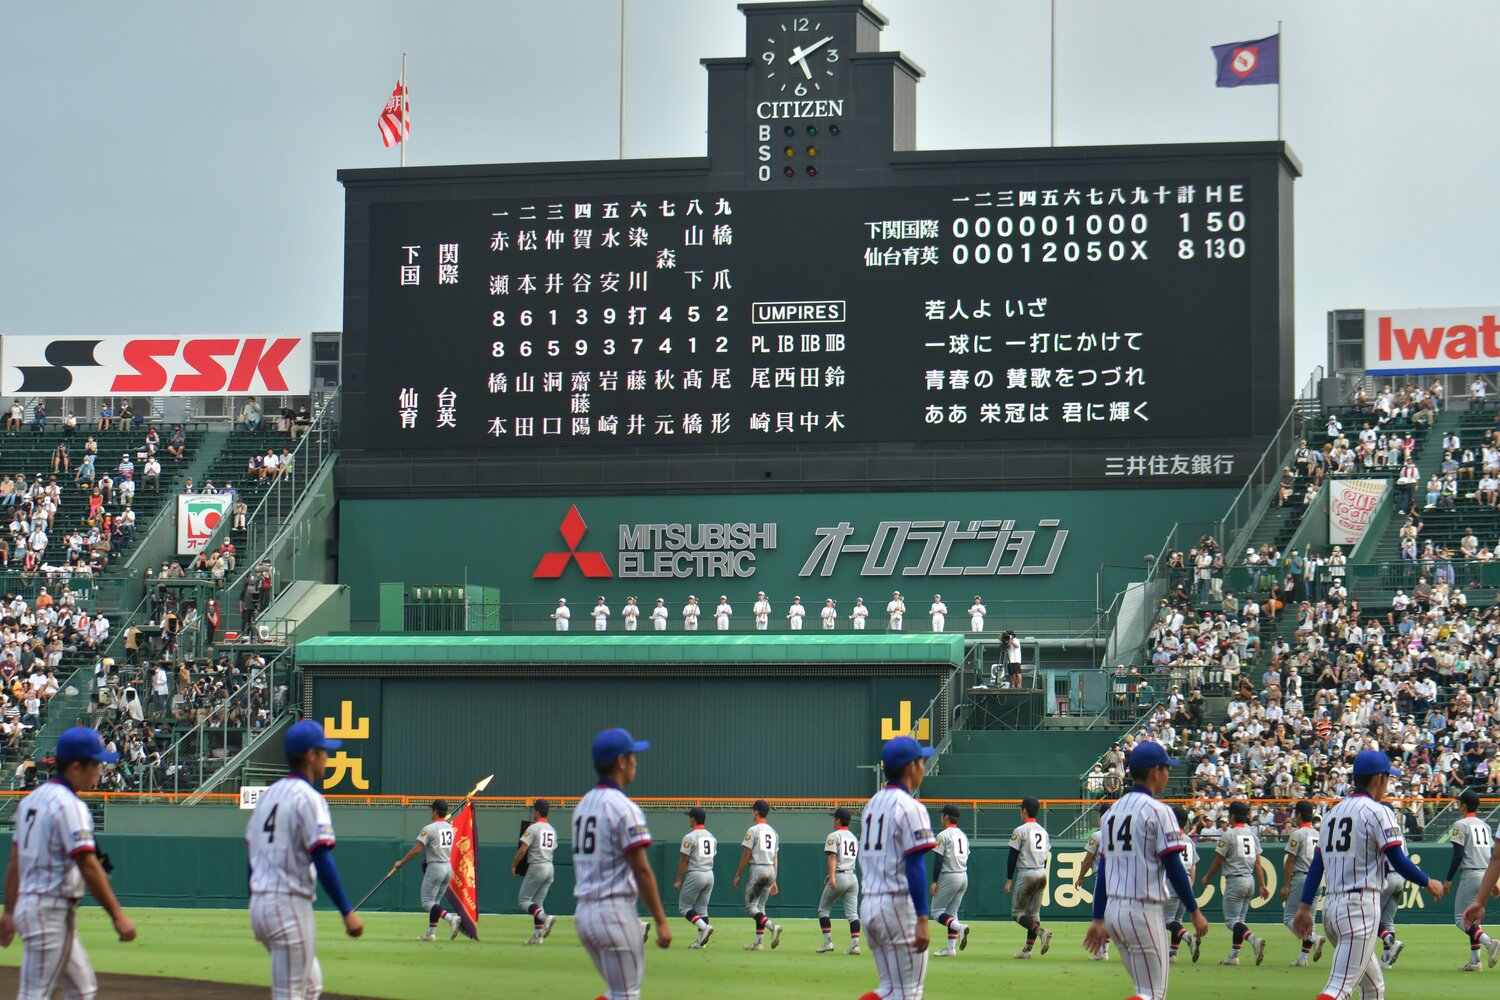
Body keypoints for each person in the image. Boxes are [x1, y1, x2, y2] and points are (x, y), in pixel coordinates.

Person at [1293, 750, 1446, 1000]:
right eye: (1388, 777)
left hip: (1331, 909)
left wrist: (1304, 907)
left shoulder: (1332, 814)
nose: (1388, 783)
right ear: (1378, 778)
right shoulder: (1377, 811)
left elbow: (1317, 865)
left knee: (1374, 987)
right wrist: (1427, 882)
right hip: (1359, 909)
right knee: (1338, 989)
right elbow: (1397, 858)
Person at [0, 726, 136, 997]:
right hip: (48, 910)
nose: (99, 771)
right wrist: (118, 915)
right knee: (34, 994)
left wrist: (10, 912)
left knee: (82, 989)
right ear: (75, 767)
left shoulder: (32, 800)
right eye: (95, 764)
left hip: (37, 906)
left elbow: (16, 860)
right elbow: (88, 864)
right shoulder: (70, 805)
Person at [246, 721, 364, 1000]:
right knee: (289, 994)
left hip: (261, 903)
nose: (328, 758)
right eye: (325, 752)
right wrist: (346, 911)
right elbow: (321, 857)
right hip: (288, 905)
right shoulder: (309, 798)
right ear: (311, 755)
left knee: (311, 985)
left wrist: (255, 907)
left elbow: (251, 854)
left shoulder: (269, 795)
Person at [1086, 742, 1209, 1000]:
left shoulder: (1111, 813)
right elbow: (1174, 867)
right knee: (1153, 993)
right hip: (1142, 910)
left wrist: (1098, 918)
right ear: (1155, 771)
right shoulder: (1159, 811)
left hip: (1114, 912)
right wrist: (1194, 910)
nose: (1168, 774)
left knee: (1144, 990)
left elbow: (1104, 869)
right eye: (1166, 768)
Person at [572, 727, 671, 999]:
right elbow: (641, 870)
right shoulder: (623, 807)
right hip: (613, 913)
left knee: (618, 993)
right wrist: (661, 921)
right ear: (621, 761)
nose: (635, 762)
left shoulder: (583, 805)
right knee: (627, 994)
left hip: (584, 915)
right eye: (632, 756)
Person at [856, 736, 938, 1000]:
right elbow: (915, 866)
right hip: (897, 907)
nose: (924, 767)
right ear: (911, 766)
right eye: (922, 761)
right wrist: (923, 918)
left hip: (870, 905)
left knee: (890, 989)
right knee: (907, 993)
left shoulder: (872, 804)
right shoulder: (910, 807)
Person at [1199, 799, 1269, 965]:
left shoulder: (1228, 835)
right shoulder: (1252, 835)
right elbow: (1258, 865)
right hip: (1250, 880)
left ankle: (1253, 940)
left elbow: (1218, 860)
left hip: (1236, 880)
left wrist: (1207, 877)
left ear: (1232, 816)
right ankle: (1234, 955)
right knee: (1239, 921)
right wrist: (1262, 885)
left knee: (1231, 921)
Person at [391, 799, 463, 941]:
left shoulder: (429, 828)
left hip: (436, 867)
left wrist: (401, 863)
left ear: (435, 811)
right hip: (447, 867)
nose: (431, 812)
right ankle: (430, 933)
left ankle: (451, 919)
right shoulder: (450, 827)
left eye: (432, 810)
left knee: (427, 902)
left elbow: (416, 850)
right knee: (435, 902)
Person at [1446, 788, 1500, 970]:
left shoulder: (1460, 824)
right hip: (1486, 874)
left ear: (1464, 806)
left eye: (1460, 803)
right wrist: (1494, 882)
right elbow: (1492, 855)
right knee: (1474, 919)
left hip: (1470, 873)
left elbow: (1458, 855)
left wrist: (1448, 879)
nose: (1458, 805)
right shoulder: (1485, 826)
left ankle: (1489, 943)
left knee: (1461, 919)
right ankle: (1475, 961)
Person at [732, 799, 782, 951]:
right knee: (760, 907)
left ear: (756, 812)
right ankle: (758, 943)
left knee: (750, 907)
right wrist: (774, 879)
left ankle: (772, 927)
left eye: (752, 810)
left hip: (757, 869)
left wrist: (738, 875)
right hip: (770, 869)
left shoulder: (753, 830)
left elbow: (746, 854)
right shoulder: (774, 832)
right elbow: (775, 857)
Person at [1004, 797, 1050, 959]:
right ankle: (1027, 951)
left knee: (1017, 913)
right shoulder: (1043, 831)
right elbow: (1046, 856)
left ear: (1024, 811)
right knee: (1034, 913)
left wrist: (1009, 880)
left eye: (1021, 809)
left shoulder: (1020, 830)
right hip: (1042, 872)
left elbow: (1012, 856)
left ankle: (1041, 932)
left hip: (1027, 872)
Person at [1282, 800, 1325, 966]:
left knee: (1288, 917)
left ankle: (1314, 938)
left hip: (1302, 878)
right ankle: (1303, 957)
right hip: (1318, 879)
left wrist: (1286, 885)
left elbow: (1290, 861)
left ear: (1298, 814)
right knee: (1310, 919)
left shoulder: (1297, 834)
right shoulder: (1319, 834)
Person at [512, 798, 557, 945]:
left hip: (537, 866)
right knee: (537, 903)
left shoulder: (533, 828)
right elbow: (553, 850)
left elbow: (523, 850)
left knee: (523, 900)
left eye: (534, 809)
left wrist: (514, 865)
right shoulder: (552, 829)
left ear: (537, 811)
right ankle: (538, 936)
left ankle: (546, 918)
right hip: (550, 867)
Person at [816, 808, 860, 955]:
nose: (833, 821)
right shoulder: (853, 837)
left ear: (838, 820)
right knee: (853, 915)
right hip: (852, 877)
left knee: (823, 910)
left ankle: (828, 943)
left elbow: (833, 856)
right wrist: (831, 874)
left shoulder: (834, 836)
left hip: (840, 876)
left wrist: (833, 876)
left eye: (834, 818)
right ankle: (855, 946)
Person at [673, 807, 716, 949]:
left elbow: (684, 860)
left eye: (689, 817)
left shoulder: (690, 837)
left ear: (693, 819)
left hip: (696, 873)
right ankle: (700, 943)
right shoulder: (711, 837)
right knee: (702, 908)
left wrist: (679, 879)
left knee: (684, 907)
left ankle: (704, 927)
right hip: (709, 874)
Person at [1165, 804, 1203, 965]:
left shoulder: (1169, 837)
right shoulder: (1189, 840)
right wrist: (1190, 886)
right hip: (1186, 879)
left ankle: (1188, 938)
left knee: (1167, 920)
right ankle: (1173, 953)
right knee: (1178, 919)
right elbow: (1193, 866)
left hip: (1172, 880)